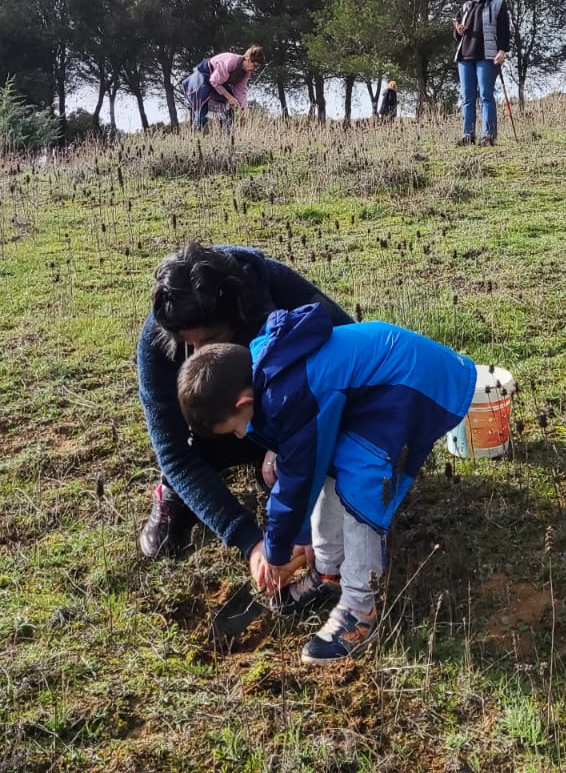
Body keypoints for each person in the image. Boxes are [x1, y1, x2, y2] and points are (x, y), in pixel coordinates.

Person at [178, 305, 477, 665]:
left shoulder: (289, 394)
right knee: (333, 471)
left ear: (244, 401)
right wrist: (296, 537)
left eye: (237, 427)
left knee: (361, 491)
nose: (243, 434)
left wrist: (276, 550)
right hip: (378, 390)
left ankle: (359, 611)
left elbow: (297, 481)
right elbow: (309, 464)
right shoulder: (262, 370)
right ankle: (329, 572)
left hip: (409, 384)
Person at [136, 243, 353, 606]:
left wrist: (288, 440)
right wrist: (250, 541)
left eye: (208, 341)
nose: (197, 354)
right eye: (188, 344)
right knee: (175, 506)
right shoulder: (159, 338)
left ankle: (268, 466)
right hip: (210, 431)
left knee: (310, 483)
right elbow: (174, 453)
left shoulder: (276, 290)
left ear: (239, 319)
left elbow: (348, 354)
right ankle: (173, 493)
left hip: (282, 412)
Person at [453, 0, 510, 146]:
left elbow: (504, 31)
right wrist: (458, 31)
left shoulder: (498, 4)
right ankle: (467, 135)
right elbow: (457, 33)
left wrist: (502, 51)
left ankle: (488, 136)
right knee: (467, 98)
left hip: (488, 56)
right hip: (465, 56)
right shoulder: (465, 6)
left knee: (486, 95)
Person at [181, 46, 263, 131]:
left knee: (228, 112)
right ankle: (194, 137)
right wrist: (230, 98)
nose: (254, 69)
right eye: (254, 66)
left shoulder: (246, 72)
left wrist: (244, 109)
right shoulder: (231, 61)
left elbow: (240, 91)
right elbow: (214, 81)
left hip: (218, 83)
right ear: (248, 59)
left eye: (257, 67)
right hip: (203, 80)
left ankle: (227, 139)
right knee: (202, 114)